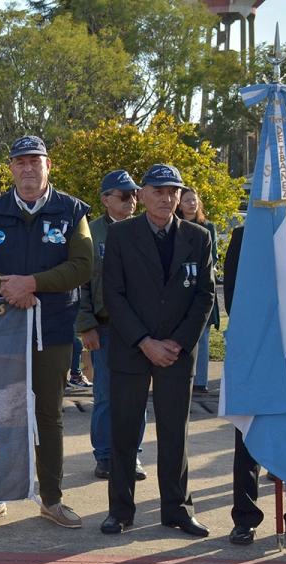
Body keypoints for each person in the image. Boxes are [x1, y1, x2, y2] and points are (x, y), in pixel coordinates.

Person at [0, 135, 92, 528]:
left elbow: (83, 266)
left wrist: (32, 282)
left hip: (51, 331)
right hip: (2, 332)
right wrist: (7, 286)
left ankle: (51, 499)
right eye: (21, 162)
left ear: (48, 166)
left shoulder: (71, 211)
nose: (29, 168)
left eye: (36, 160)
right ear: (11, 168)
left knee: (48, 415)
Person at [100, 164, 214, 537]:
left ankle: (177, 510)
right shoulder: (120, 234)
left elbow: (205, 296)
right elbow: (112, 294)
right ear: (143, 194)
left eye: (174, 192)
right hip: (133, 349)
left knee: (174, 433)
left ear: (181, 197)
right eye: (159, 191)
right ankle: (120, 510)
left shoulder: (199, 236)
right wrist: (145, 342)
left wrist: (177, 343)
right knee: (124, 433)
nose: (167, 198)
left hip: (177, 352)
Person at [223, 162, 286, 545]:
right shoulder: (245, 237)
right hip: (258, 352)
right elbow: (233, 296)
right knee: (248, 432)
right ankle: (245, 517)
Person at [75, 170, 147, 481]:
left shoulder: (145, 231)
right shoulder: (89, 234)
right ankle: (104, 455)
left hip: (140, 329)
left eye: (134, 194)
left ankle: (132, 455)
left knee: (138, 395)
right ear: (106, 200)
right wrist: (86, 325)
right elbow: (81, 284)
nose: (131, 200)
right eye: (124, 195)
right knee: (105, 394)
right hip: (104, 327)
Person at [176, 187, 219, 394]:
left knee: (203, 335)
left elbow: (215, 257)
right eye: (187, 200)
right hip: (180, 289)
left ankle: (200, 382)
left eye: (194, 200)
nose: (192, 203)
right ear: (179, 204)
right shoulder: (174, 227)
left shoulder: (208, 227)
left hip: (201, 285)